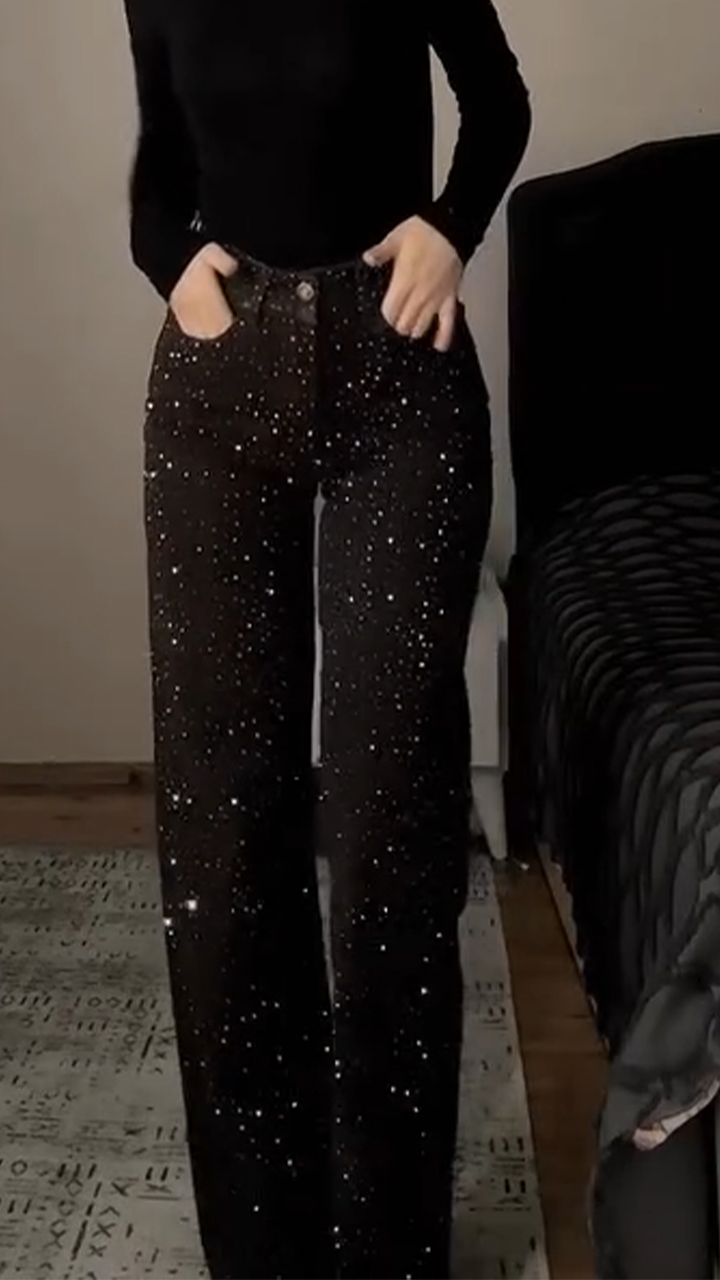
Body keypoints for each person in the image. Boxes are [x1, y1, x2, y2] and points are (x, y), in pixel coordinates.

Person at [121, 1, 530, 1276]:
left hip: (399, 376)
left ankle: (391, 1250)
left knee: (386, 819)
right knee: (224, 825)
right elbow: (159, 173)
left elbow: (498, 102)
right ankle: (263, 1245)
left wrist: (451, 228)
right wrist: (171, 266)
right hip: (217, 383)